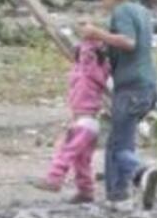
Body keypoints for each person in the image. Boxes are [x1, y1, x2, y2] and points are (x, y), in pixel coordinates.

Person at [80, 0, 157, 212]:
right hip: (147, 86)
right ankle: (117, 196)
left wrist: (97, 33)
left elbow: (128, 42)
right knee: (120, 141)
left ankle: (141, 173)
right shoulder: (142, 11)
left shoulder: (123, 11)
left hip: (131, 88)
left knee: (119, 146)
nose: (102, 4)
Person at [30, 39, 110, 204]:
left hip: (83, 122)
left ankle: (54, 179)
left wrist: (89, 41)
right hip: (92, 123)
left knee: (66, 151)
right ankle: (86, 192)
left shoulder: (87, 71)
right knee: (82, 160)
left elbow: (86, 58)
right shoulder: (100, 71)